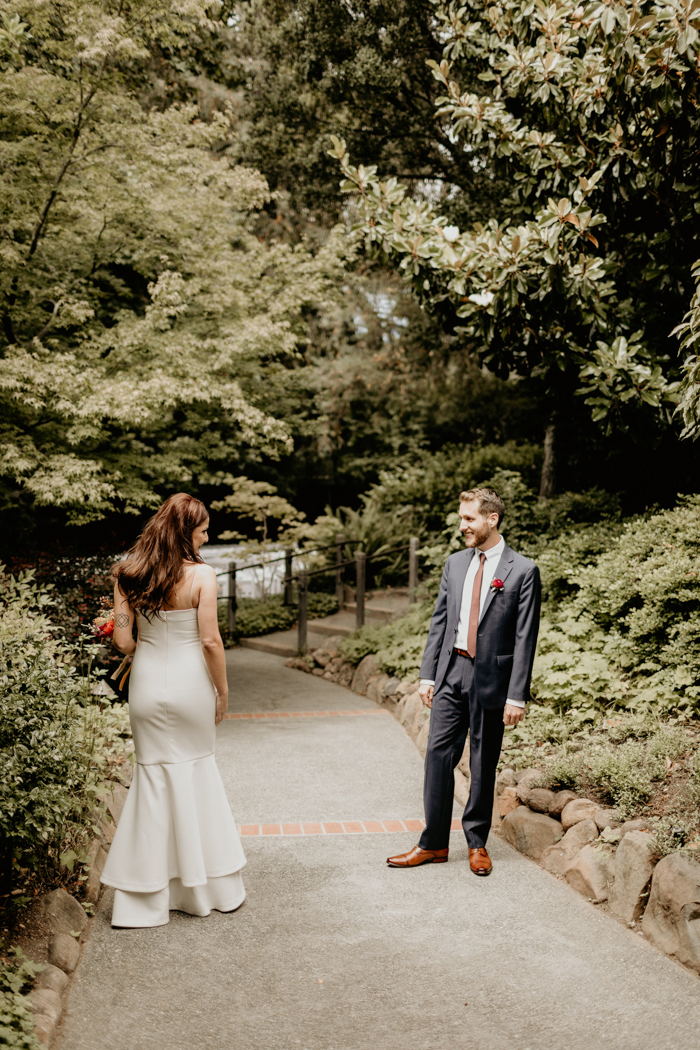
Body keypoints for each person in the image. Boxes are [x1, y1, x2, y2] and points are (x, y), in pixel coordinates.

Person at [100, 493, 246, 927]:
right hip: (191, 687)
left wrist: (124, 624)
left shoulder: (128, 573)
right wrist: (221, 691)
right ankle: (203, 889)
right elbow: (210, 642)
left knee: (153, 779)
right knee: (196, 772)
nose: (207, 536)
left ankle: (143, 899)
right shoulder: (202, 575)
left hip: (146, 686)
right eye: (203, 530)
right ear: (187, 532)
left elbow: (123, 643)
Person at [387, 487, 541, 876]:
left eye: (469, 519)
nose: (463, 526)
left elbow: (526, 637)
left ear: (492, 519)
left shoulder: (522, 570)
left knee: (482, 761)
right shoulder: (455, 564)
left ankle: (477, 842)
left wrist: (517, 696)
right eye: (461, 518)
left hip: (492, 678)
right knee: (438, 757)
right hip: (452, 670)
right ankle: (433, 843)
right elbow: (440, 621)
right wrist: (428, 674)